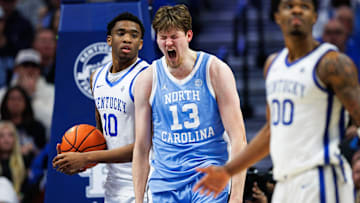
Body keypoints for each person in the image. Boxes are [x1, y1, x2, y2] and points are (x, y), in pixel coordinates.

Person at [194, 0, 358, 202]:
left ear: (315, 17)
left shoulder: (333, 63)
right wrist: (228, 171)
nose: (297, 10)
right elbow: (272, 131)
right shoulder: (273, 65)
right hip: (285, 181)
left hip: (321, 177)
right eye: (289, 6)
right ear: (277, 16)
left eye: (304, 6)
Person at [132, 4, 247, 203]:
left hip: (208, 180)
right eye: (162, 37)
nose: (168, 43)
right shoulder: (147, 80)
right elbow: (141, 148)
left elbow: (239, 138)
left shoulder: (215, 71)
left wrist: (236, 197)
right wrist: (138, 199)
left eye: (174, 36)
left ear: (188, 36)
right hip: (165, 183)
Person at [52, 12, 150, 203]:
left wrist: (86, 157)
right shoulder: (96, 76)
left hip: (146, 184)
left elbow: (144, 146)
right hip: (113, 184)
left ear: (141, 44)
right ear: (109, 40)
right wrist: (74, 155)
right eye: (121, 33)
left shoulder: (146, 77)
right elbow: (102, 135)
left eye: (134, 34)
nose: (127, 39)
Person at [0, 86, 47, 168]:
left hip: (31, 171)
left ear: (26, 102)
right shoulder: (1, 125)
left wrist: (32, 149)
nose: (16, 102)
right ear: (5, 102)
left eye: (19, 99)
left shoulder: (37, 128)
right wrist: (18, 152)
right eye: (12, 99)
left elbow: (44, 154)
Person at [0, 121, 26, 199]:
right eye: (1, 136)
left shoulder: (24, 161)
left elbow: (27, 190)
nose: (6, 140)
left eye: (10, 135)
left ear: (15, 138)